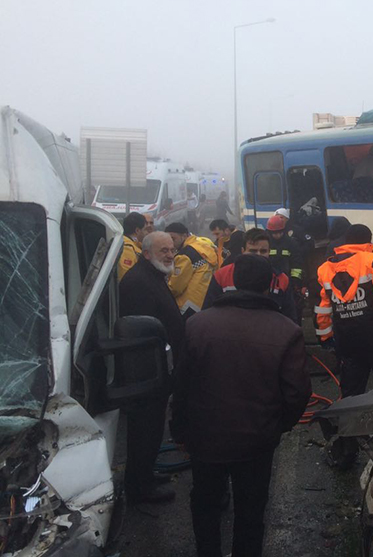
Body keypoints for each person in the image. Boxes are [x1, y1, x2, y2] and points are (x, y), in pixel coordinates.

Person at [171, 254, 311, 557]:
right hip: (256, 442)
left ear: (232, 281)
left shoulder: (197, 325)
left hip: (205, 439)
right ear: (269, 285)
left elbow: (181, 385)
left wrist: (180, 430)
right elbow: (297, 393)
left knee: (205, 505)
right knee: (250, 512)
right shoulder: (286, 330)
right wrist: (277, 426)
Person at [119, 231, 184, 504]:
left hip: (158, 369)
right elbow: (142, 333)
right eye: (163, 251)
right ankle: (139, 486)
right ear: (146, 254)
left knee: (154, 427)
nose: (170, 255)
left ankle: (145, 473)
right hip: (147, 372)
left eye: (171, 250)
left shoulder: (153, 275)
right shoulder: (138, 283)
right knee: (144, 429)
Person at [315, 224, 373, 398]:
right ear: (368, 240)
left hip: (347, 342)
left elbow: (323, 307)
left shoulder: (325, 269)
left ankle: (344, 424)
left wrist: (325, 337)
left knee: (350, 396)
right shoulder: (372, 261)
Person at [202, 228, 297, 322]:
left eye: (263, 251)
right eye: (253, 251)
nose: (258, 255)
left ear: (269, 252)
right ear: (243, 251)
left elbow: (290, 319)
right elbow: (209, 313)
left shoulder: (281, 280)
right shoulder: (222, 276)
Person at [165, 223, 219, 318]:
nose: (171, 243)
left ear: (184, 236)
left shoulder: (185, 256)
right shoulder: (203, 247)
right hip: (206, 301)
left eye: (173, 239)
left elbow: (175, 287)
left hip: (187, 308)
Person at [266, 212, 303, 288]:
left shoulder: (291, 243)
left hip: (287, 281)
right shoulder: (265, 243)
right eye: (275, 233)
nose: (278, 235)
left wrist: (295, 280)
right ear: (269, 232)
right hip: (268, 281)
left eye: (280, 232)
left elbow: (296, 263)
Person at [118, 212, 154, 281]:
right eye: (144, 230)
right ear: (137, 230)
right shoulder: (127, 248)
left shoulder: (134, 245)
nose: (146, 233)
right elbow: (126, 277)